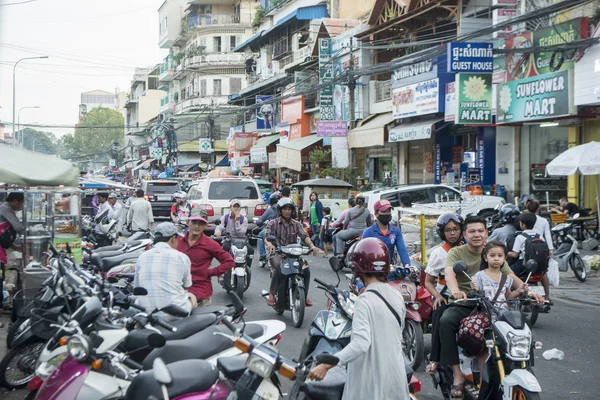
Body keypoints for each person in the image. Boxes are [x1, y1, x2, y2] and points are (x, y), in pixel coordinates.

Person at [307, 238, 411, 400]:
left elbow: (360, 344)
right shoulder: (396, 295)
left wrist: (327, 365)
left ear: (358, 268)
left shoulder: (365, 300)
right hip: (395, 378)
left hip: (371, 382)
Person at [439, 215, 526, 398]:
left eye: (480, 231)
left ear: (486, 233)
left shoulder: (493, 253)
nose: (477, 234)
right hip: (467, 302)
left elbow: (512, 278)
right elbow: (449, 273)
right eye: (472, 231)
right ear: (465, 234)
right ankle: (457, 375)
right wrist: (455, 291)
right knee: (446, 321)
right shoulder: (457, 252)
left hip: (493, 305)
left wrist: (531, 292)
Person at [470, 241, 543, 384]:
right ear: (485, 258)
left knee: (522, 334)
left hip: (504, 318)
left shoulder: (507, 278)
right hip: (486, 317)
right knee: (484, 349)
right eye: (492, 255)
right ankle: (482, 383)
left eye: (500, 255)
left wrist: (520, 291)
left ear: (504, 259)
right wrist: (473, 290)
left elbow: (508, 296)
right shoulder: (478, 277)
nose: (496, 258)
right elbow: (472, 295)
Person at [423, 212, 464, 375]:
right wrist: (437, 296)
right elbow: (428, 281)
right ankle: (435, 358)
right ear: (442, 232)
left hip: (467, 297)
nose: (452, 233)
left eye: (455, 229)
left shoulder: (467, 249)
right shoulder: (438, 254)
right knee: (439, 319)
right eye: (448, 230)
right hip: (446, 297)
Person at [264, 198, 319, 307]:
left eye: (289, 209)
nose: (287, 211)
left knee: (305, 269)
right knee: (279, 267)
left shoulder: (296, 224)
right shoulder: (273, 223)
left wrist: (312, 246)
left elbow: (305, 236)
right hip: (278, 253)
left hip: (294, 254)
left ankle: (304, 294)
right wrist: (270, 245)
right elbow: (266, 237)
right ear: (280, 210)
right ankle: (272, 294)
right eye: (285, 209)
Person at [134, 222, 195, 319]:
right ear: (173, 238)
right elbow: (186, 285)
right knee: (191, 296)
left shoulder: (142, 256)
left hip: (145, 313)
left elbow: (136, 288)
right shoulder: (182, 257)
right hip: (175, 314)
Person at [177, 208, 235, 307]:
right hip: (177, 290)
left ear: (205, 225)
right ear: (188, 222)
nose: (197, 226)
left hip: (200, 291)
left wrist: (210, 272)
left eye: (201, 223)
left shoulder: (210, 244)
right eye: (194, 222)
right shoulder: (177, 241)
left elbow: (229, 262)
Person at [508, 212, 551, 302]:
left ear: (522, 224)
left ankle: (510, 296)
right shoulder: (539, 236)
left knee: (508, 273)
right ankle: (547, 296)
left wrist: (507, 253)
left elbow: (515, 254)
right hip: (538, 266)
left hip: (523, 266)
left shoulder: (520, 237)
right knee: (544, 273)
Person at [361, 199, 410, 266]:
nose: (387, 214)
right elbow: (363, 255)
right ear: (376, 214)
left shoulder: (396, 231)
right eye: (384, 211)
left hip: (389, 269)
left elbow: (402, 251)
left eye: (389, 211)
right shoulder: (368, 232)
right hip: (372, 271)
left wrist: (408, 266)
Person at [0, 192, 25, 312]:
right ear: (15, 201)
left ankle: (1, 302)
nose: (21, 207)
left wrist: (15, 247)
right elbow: (18, 227)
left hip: (2, 248)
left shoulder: (5, 209)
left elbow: (4, 235)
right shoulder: (6, 209)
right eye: (21, 203)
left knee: (1, 275)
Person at [256, 195, 280, 264]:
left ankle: (262, 255)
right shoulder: (283, 208)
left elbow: (261, 219)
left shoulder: (270, 210)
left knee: (260, 235)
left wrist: (258, 222)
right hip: (283, 230)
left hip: (272, 230)